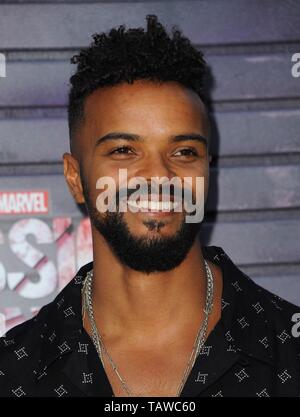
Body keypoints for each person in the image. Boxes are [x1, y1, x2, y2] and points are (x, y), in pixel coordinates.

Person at [0, 14, 299, 398]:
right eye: (124, 150)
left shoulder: (288, 347)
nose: (159, 175)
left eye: (184, 151)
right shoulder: (15, 372)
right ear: (76, 178)